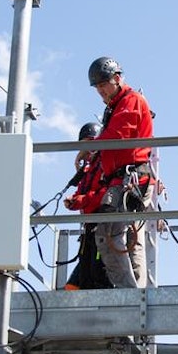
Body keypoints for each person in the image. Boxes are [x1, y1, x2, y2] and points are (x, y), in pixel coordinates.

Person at [81, 56, 154, 288]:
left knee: (111, 234)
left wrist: (91, 147)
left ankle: (131, 294)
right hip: (122, 178)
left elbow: (119, 136)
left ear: (117, 79)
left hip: (131, 178)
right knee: (112, 235)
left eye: (104, 84)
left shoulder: (131, 100)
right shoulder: (117, 105)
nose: (101, 90)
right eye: (98, 87)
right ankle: (130, 292)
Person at [63, 122, 112, 290]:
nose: (88, 150)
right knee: (77, 284)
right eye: (85, 145)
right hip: (89, 231)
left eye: (92, 144)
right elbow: (82, 194)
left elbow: (104, 193)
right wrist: (73, 199)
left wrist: (80, 200)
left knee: (99, 278)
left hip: (102, 229)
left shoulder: (106, 163)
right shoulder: (87, 171)